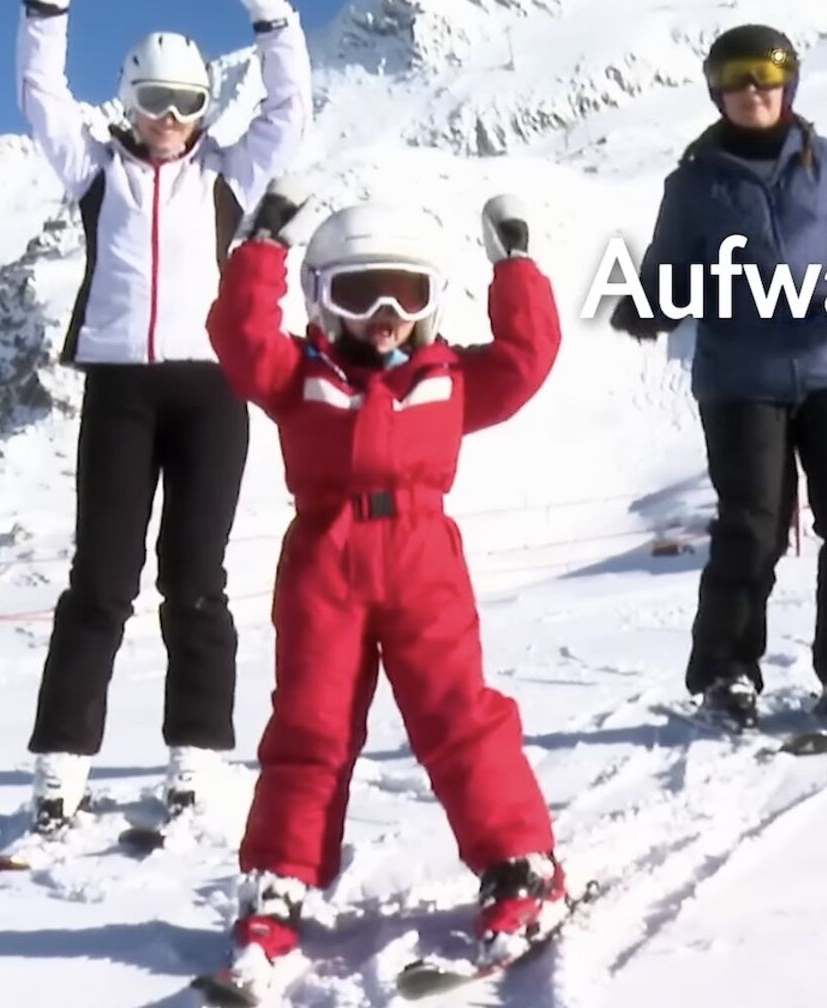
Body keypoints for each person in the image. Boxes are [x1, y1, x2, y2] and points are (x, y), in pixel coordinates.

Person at [200, 181, 572, 983]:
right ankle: (280, 879)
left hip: (422, 557)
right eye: (360, 293)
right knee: (311, 724)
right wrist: (261, 247)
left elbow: (526, 358)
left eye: (407, 293)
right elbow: (238, 337)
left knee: (456, 713)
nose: (385, 314)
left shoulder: (449, 376)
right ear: (321, 299)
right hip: (323, 560)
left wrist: (515, 265)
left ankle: (519, 864)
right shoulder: (299, 373)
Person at [14, 0, 313, 836]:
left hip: (211, 391)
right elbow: (40, 94)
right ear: (128, 100)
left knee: (196, 580)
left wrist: (275, 22)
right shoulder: (94, 171)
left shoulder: (227, 176)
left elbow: (290, 109)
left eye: (187, 103)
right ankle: (61, 764)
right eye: (154, 102)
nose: (170, 120)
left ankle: (196, 756)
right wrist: (46, 14)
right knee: (101, 582)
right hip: (120, 391)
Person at [609, 24, 827, 731]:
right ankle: (726, 673)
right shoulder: (694, 184)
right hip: (740, 380)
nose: (753, 89)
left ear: (789, 83)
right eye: (736, 76)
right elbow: (670, 269)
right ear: (716, 90)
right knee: (752, 529)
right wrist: (650, 304)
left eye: (767, 74)